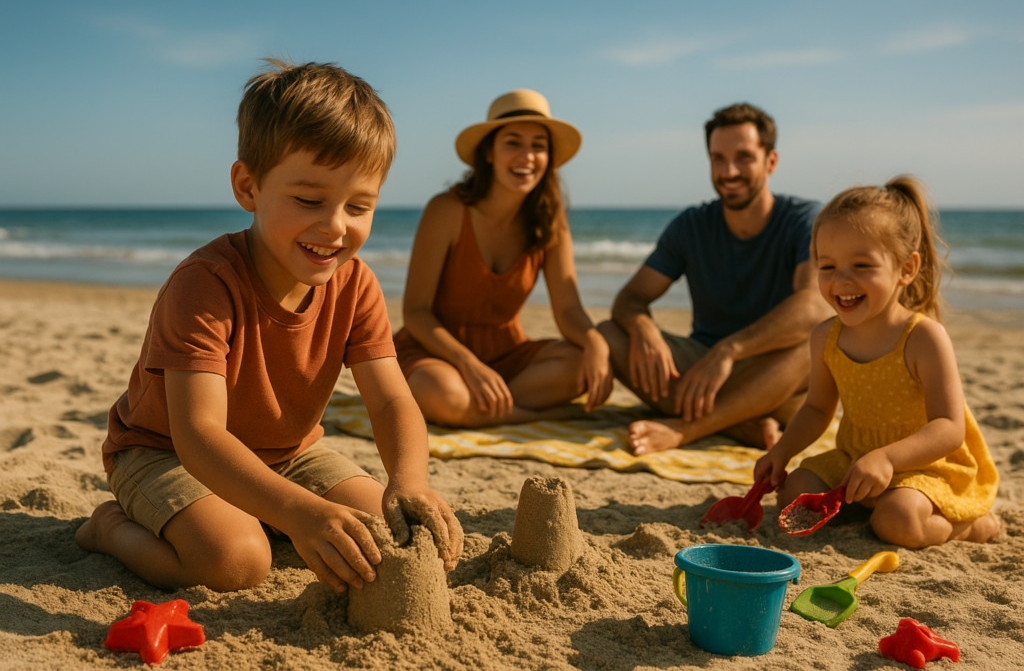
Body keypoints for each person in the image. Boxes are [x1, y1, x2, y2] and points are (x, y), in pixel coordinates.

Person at [75, 60, 463, 593]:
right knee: (236, 562)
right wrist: (302, 516)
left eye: (359, 206)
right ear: (248, 186)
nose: (334, 226)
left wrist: (409, 480)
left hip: (291, 454)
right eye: (309, 200)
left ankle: (270, 512)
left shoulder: (355, 284)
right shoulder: (205, 284)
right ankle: (109, 528)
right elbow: (200, 436)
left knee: (386, 532)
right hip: (164, 453)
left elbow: (392, 400)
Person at [755, 176, 999, 548]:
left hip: (924, 466)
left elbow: (949, 428)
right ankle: (864, 505)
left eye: (861, 265)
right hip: (856, 457)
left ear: (906, 268)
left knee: (896, 521)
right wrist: (782, 451)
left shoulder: (923, 337)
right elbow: (818, 408)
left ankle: (969, 526)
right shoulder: (825, 336)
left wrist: (887, 458)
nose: (842, 281)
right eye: (828, 267)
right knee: (792, 494)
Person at [599, 103, 833, 454]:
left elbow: (813, 305)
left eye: (743, 157)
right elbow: (629, 300)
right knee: (610, 334)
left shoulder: (804, 219)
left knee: (821, 343)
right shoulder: (692, 225)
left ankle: (685, 429)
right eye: (718, 158)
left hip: (776, 374)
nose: (729, 171)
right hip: (700, 372)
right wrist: (643, 329)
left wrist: (728, 351)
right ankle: (739, 423)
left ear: (771, 161)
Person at [393, 89, 613, 427]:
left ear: (549, 157)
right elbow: (416, 312)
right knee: (441, 391)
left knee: (581, 361)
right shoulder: (447, 210)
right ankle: (528, 415)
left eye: (538, 145)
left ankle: (481, 408)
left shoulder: (549, 222)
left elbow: (568, 311)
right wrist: (469, 364)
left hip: (507, 356)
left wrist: (595, 342)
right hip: (435, 353)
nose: (527, 156)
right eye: (513, 142)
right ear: (489, 152)